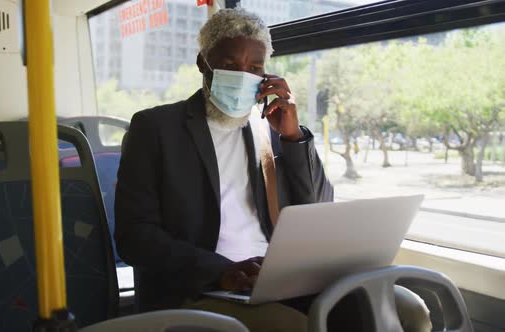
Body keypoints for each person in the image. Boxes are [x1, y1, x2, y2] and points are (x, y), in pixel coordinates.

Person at [115, 8, 431, 332]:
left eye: (255, 67)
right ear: (203, 63)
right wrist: (220, 271)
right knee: (291, 327)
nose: (243, 76)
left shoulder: (270, 129)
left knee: (407, 311)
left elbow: (319, 208)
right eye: (229, 65)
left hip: (282, 279)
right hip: (203, 286)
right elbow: (135, 236)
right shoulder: (155, 128)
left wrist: (293, 138)